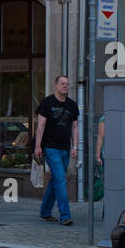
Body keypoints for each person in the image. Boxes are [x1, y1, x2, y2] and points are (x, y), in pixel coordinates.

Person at [34, 73, 79, 226]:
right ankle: (65, 215)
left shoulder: (72, 105)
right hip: (50, 147)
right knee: (60, 180)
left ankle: (45, 211)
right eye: (63, 84)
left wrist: (75, 146)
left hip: (65, 148)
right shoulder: (47, 103)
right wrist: (38, 146)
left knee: (56, 180)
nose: (65, 86)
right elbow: (40, 126)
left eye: (67, 84)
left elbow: (74, 127)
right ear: (56, 85)